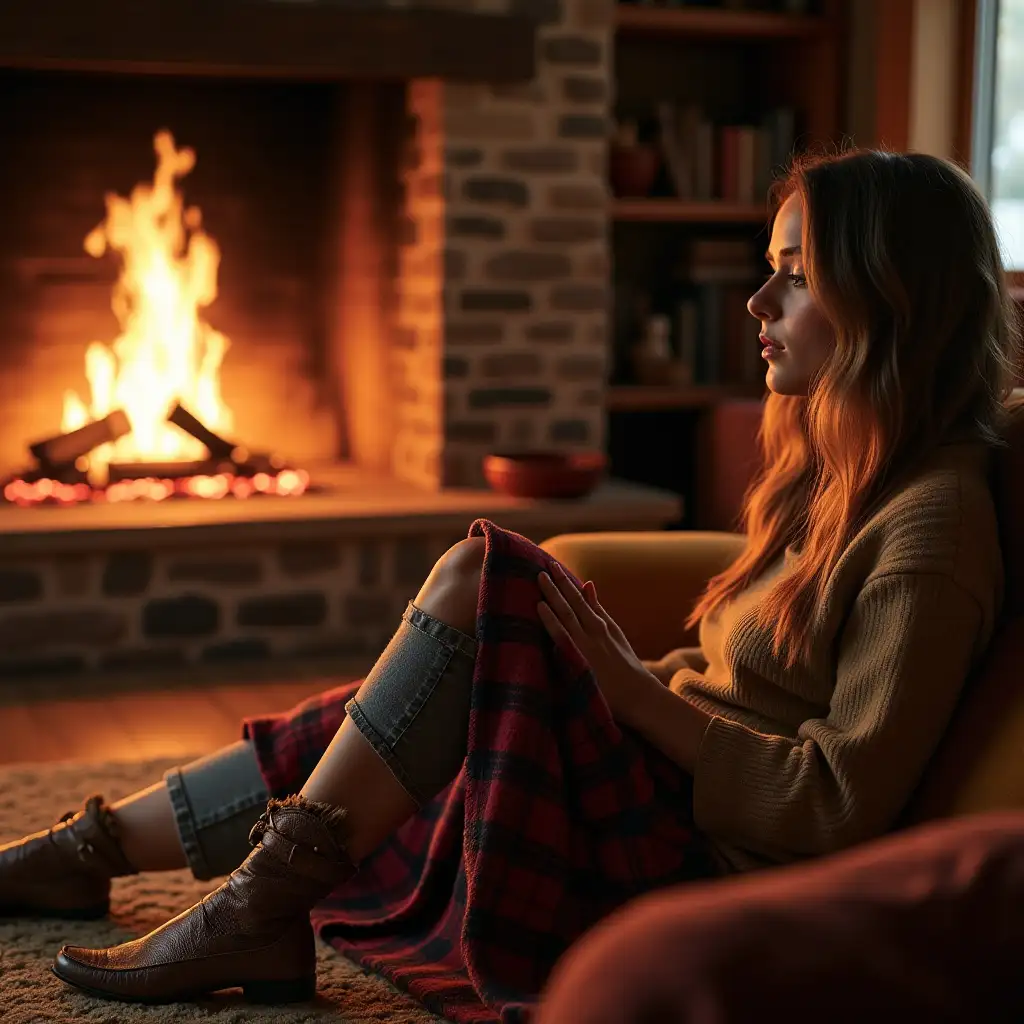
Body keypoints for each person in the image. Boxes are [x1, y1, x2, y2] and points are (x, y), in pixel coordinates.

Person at [0, 148, 1018, 1019]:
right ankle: (95, 852)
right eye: (767, 270)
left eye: (794, 275)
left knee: (488, 575)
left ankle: (244, 909)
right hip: (657, 786)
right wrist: (623, 685)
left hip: (696, 850)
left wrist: (628, 696)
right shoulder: (841, 478)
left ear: (889, 292)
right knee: (391, 701)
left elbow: (834, 806)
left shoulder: (932, 526)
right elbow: (735, 680)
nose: (757, 301)